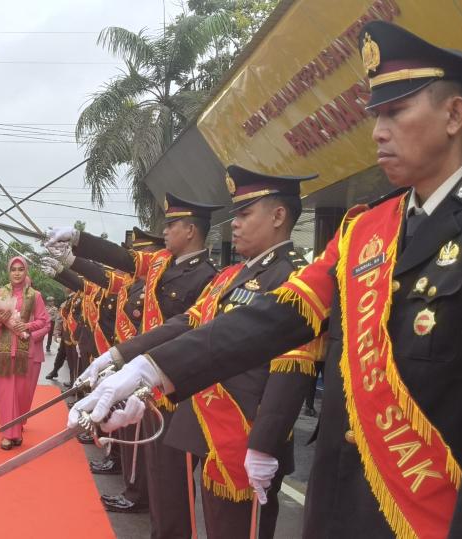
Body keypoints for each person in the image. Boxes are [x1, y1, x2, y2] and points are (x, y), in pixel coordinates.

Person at [71, 21, 462, 538]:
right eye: (376, 114)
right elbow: (273, 317)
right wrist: (152, 370)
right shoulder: (363, 229)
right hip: (339, 500)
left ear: (454, 114)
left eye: (396, 111)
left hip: (432, 512)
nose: (378, 131)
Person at [82, 165, 322, 538]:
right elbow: (188, 326)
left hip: (245, 434)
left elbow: (291, 370)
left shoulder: (294, 280)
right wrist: (123, 359)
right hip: (209, 423)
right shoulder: (232, 277)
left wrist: (265, 443)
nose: (235, 224)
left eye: (245, 214)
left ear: (278, 216)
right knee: (215, 524)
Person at [47, 195, 220, 539]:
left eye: (171, 225)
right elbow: (121, 258)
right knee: (157, 471)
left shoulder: (207, 277)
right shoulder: (161, 264)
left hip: (179, 383)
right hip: (148, 379)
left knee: (175, 477)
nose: (165, 230)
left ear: (191, 230)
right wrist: (77, 243)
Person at [0, 257, 51, 449]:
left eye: (21, 269)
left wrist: (27, 325)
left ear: (26, 272)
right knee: (5, 394)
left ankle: (17, 427)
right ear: (8, 272)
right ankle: (9, 434)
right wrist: (0, 320)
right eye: (13, 269)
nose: (17, 273)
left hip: (25, 350)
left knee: (22, 394)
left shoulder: (35, 295)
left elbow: (43, 320)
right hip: (2, 350)